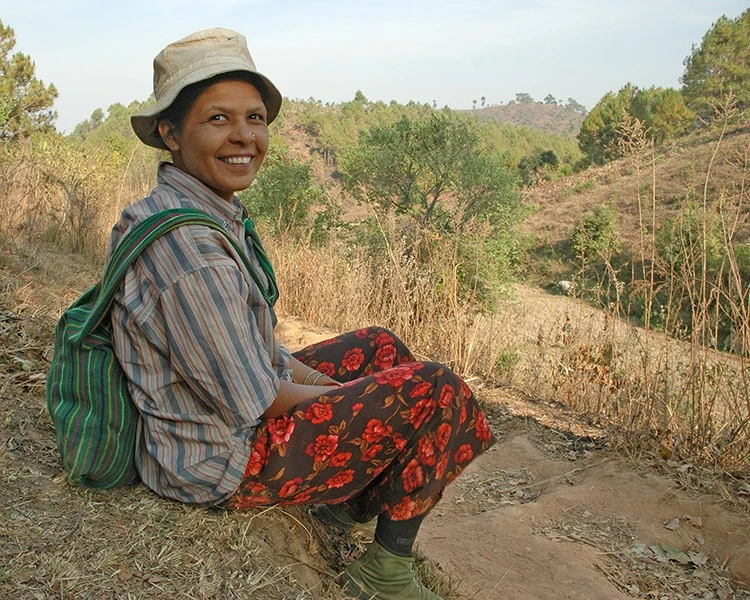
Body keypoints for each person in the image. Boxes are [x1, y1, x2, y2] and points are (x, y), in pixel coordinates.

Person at [113, 27, 496, 600]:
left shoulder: (190, 209)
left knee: (379, 348)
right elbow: (255, 398)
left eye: (255, 118)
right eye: (217, 119)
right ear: (170, 131)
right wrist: (370, 402)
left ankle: (344, 507)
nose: (243, 136)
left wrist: (343, 382)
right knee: (436, 390)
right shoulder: (192, 254)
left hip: (216, 413)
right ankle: (384, 572)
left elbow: (249, 345)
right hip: (216, 458)